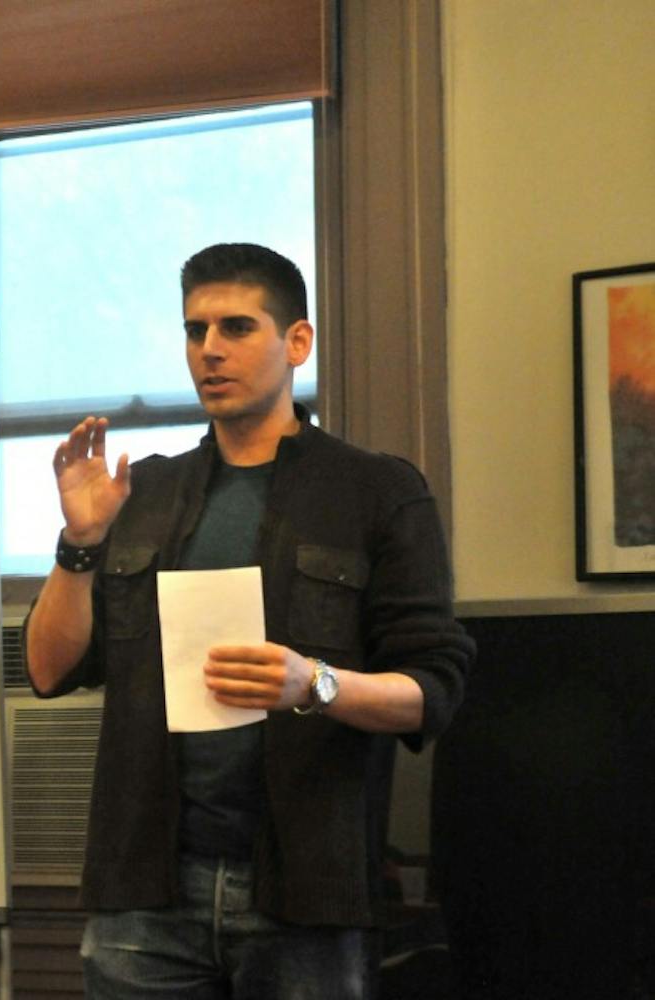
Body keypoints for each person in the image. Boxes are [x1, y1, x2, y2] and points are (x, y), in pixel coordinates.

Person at [23, 242, 474, 999]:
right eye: (195, 331)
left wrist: (315, 683)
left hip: (306, 888)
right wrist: (81, 544)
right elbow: (49, 669)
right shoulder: (148, 493)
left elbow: (435, 690)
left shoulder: (376, 492)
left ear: (297, 341)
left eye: (236, 328)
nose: (210, 351)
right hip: (147, 885)